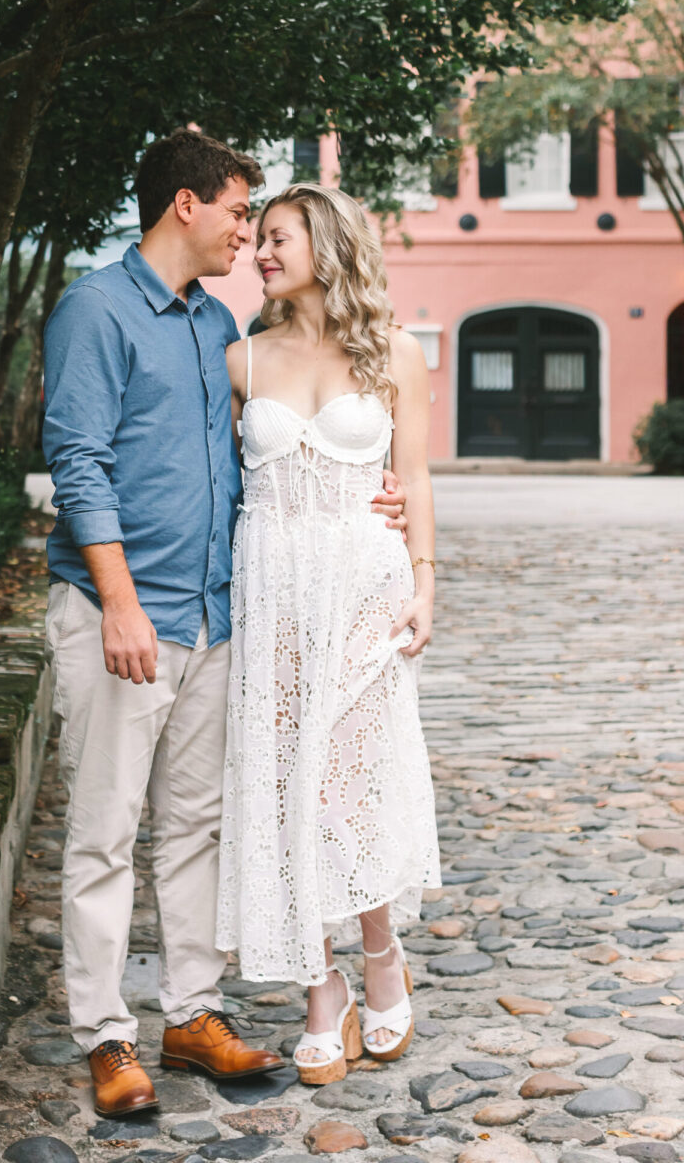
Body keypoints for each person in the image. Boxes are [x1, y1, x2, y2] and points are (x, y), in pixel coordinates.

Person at [42, 133, 408, 1118]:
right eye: (239, 213)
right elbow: (78, 462)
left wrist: (376, 508)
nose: (247, 235)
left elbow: (274, 459)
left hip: (215, 617)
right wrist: (117, 602)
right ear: (184, 205)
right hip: (125, 615)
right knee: (105, 834)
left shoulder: (216, 329)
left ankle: (191, 1014)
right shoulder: (95, 309)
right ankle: (105, 1035)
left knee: (195, 831)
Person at [215, 183, 440, 1085]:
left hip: (364, 590)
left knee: (354, 782)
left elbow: (414, 478)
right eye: (258, 237)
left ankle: (381, 952)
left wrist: (426, 581)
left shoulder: (394, 353)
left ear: (328, 242)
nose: (262, 252)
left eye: (278, 237)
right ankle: (322, 985)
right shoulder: (242, 360)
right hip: (271, 597)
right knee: (283, 787)